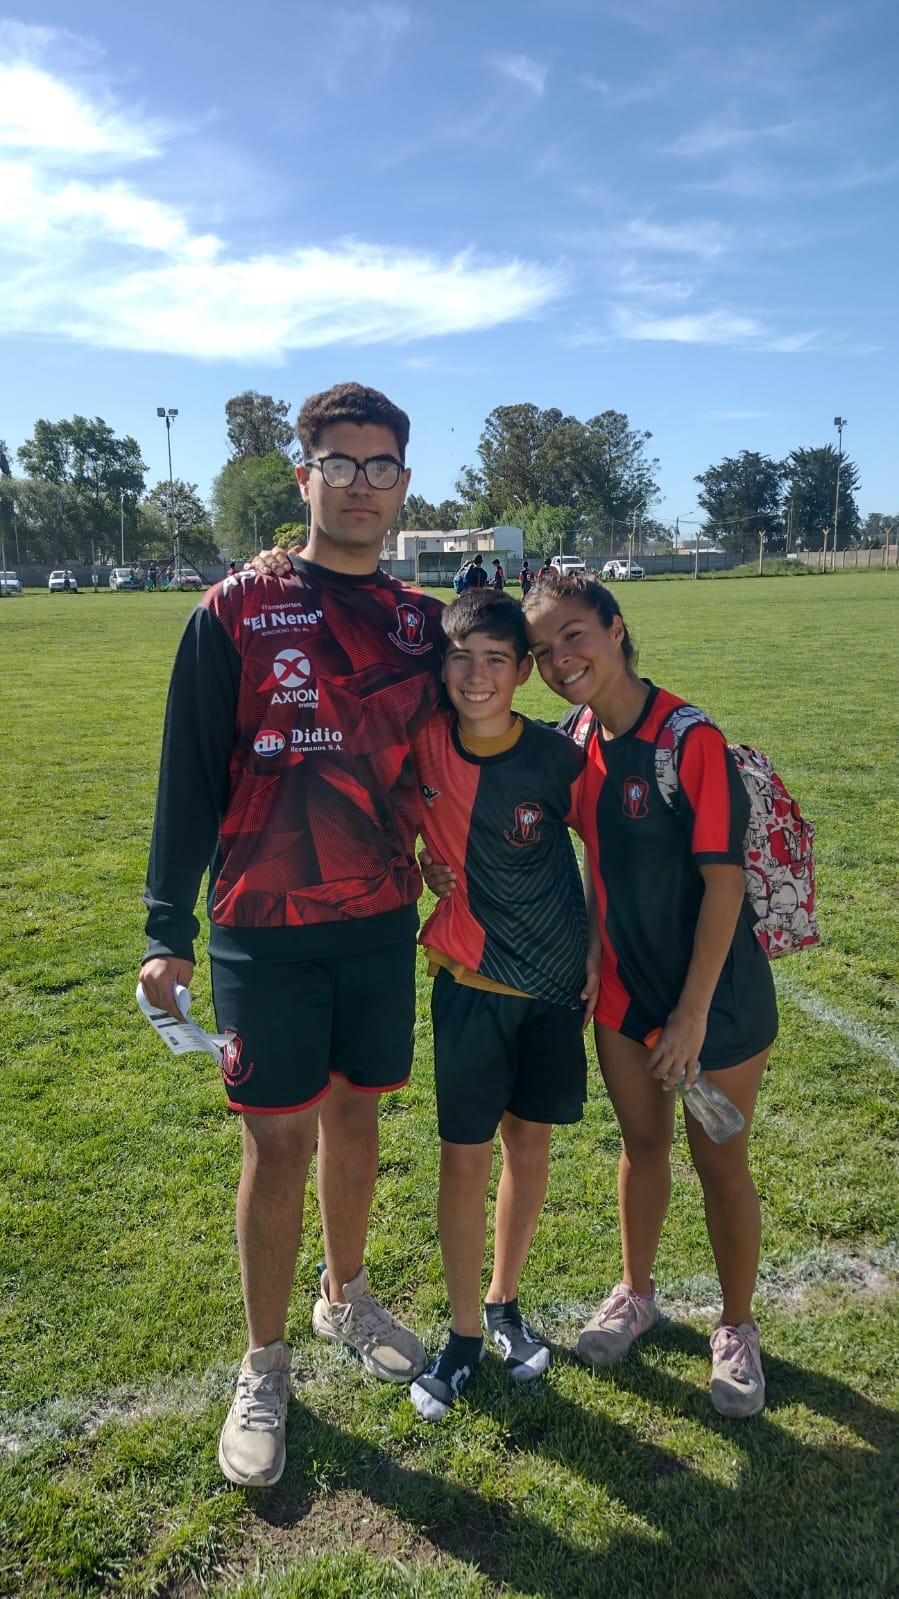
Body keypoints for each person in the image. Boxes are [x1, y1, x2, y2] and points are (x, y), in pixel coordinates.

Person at [139, 382, 445, 1488]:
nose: (361, 484)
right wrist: (164, 927)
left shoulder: (422, 622)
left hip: (379, 916)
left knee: (358, 1116)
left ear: (402, 483)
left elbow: (487, 726)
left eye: (380, 466)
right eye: (340, 463)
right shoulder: (233, 609)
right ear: (304, 474)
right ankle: (262, 1363)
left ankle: (344, 1296)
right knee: (276, 1144)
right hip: (261, 921)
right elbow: (185, 773)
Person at [522, 574, 778, 1418]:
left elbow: (724, 886)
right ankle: (635, 1293)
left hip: (716, 1000)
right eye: (543, 649)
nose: (560, 660)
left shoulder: (687, 737)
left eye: (574, 635)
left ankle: (735, 1327)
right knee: (641, 1146)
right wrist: (595, 949)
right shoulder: (576, 739)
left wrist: (692, 1016)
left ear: (615, 628)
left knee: (720, 1165)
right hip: (625, 997)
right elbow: (592, 855)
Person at [408, 590, 598, 1420]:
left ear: (522, 671)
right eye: (460, 657)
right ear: (441, 666)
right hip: (470, 987)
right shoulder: (423, 742)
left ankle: (503, 1302)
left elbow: (605, 849)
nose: (476, 675)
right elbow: (394, 816)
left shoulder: (558, 757)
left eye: (494, 659)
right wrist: (423, 864)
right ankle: (461, 1336)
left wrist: (597, 949)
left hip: (554, 990)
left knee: (530, 1145)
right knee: (463, 1161)